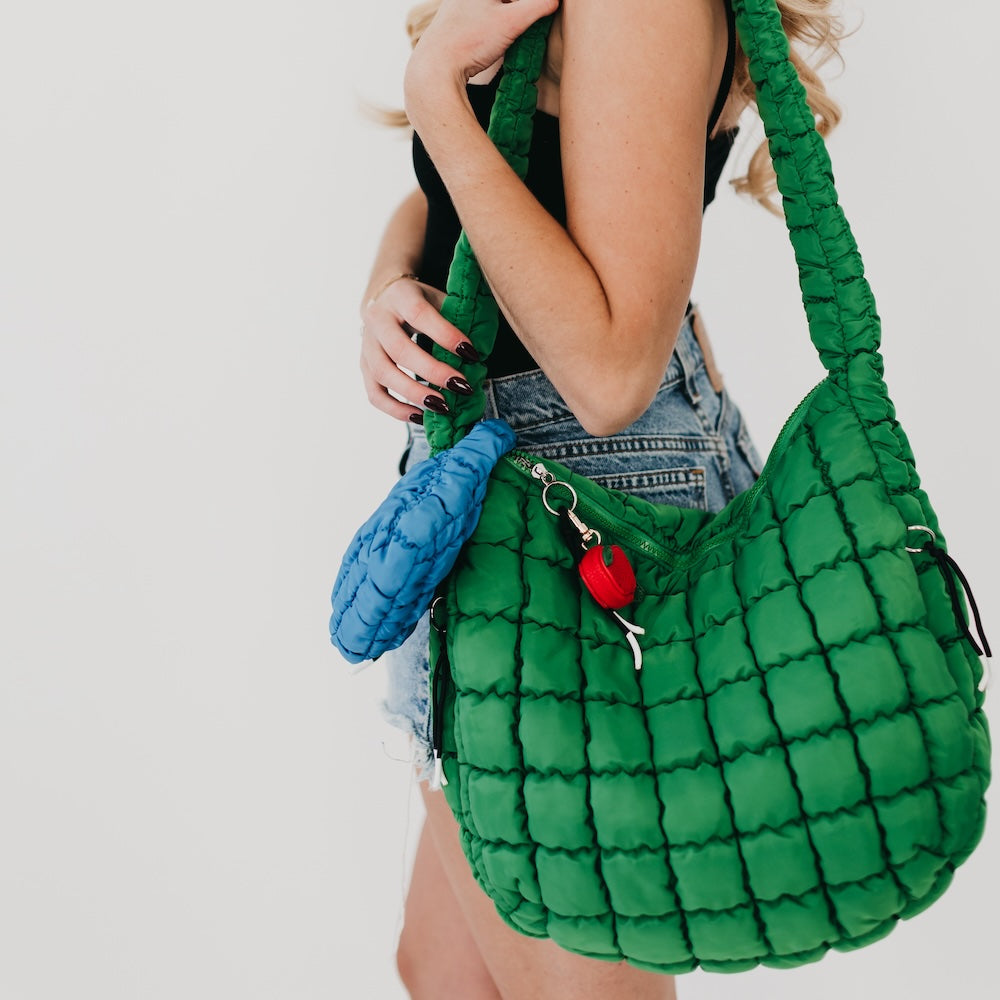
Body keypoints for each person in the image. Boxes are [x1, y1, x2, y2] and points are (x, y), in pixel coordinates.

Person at [358, 2, 843, 996]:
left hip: (586, 508)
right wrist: (388, 288)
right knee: (446, 971)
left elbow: (612, 367)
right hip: (493, 492)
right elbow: (476, 190)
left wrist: (433, 98)